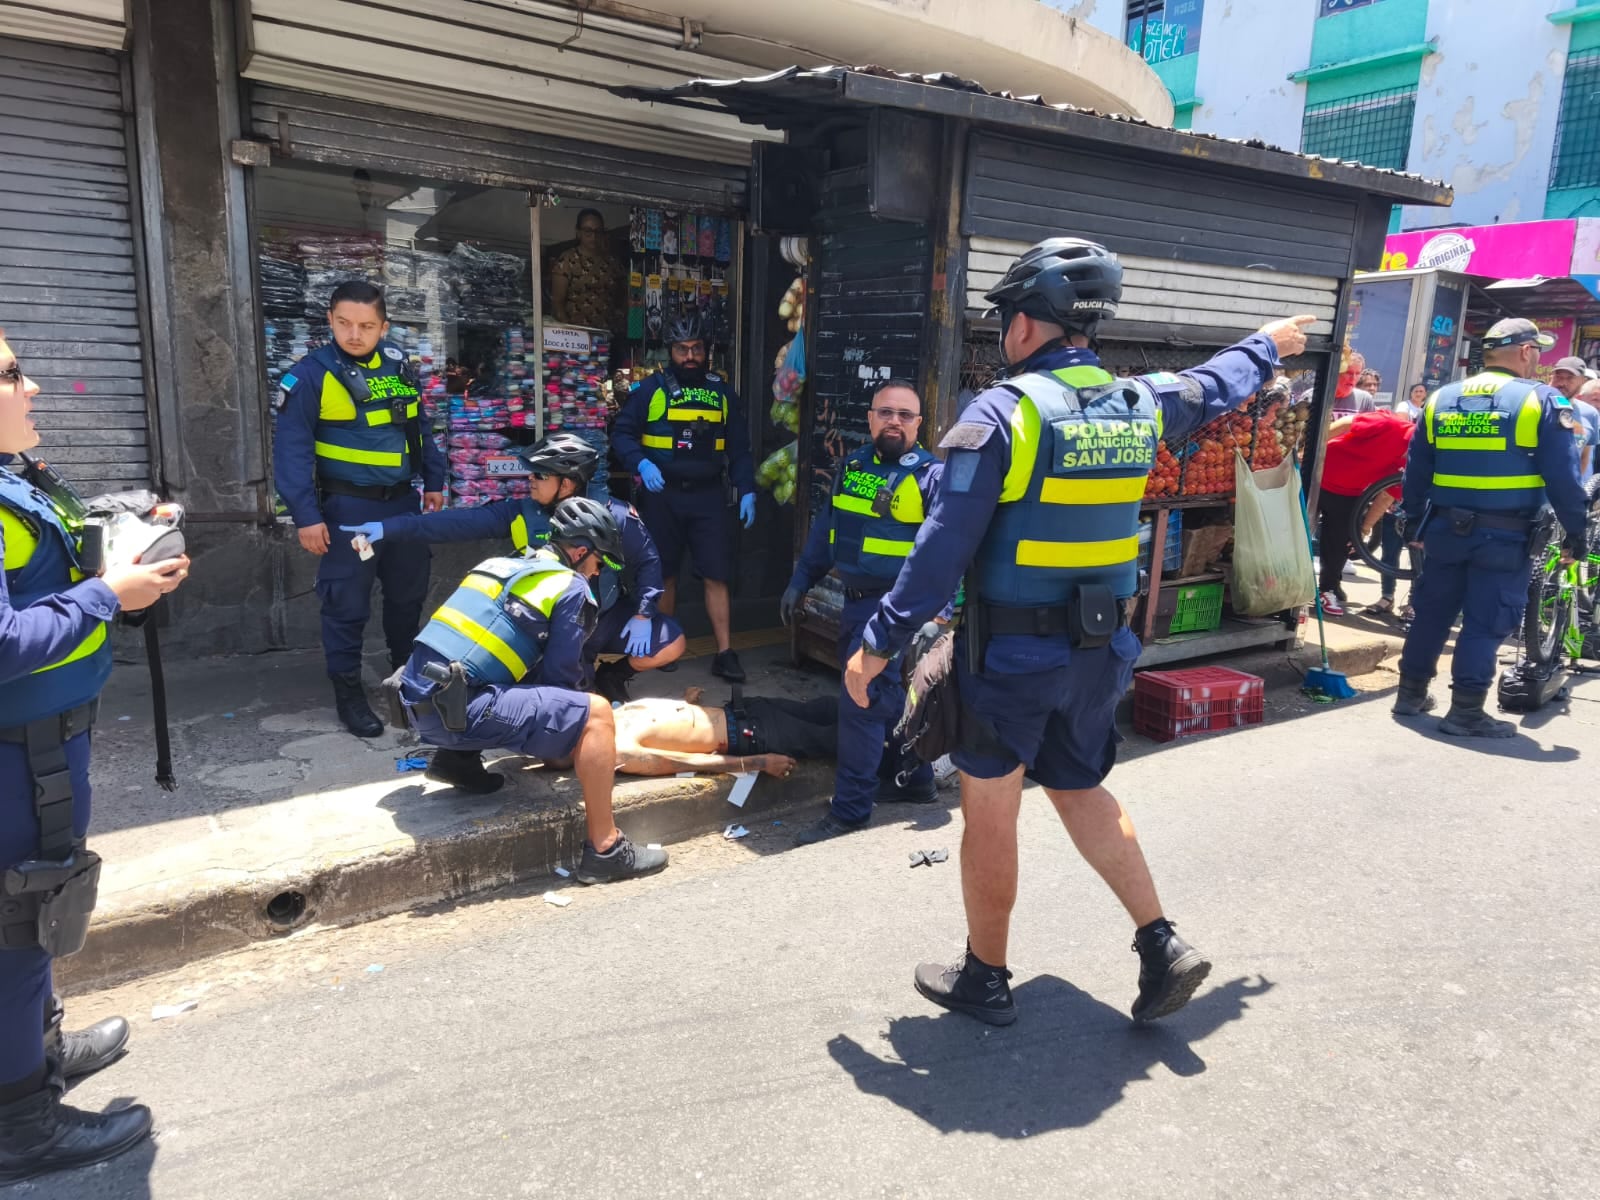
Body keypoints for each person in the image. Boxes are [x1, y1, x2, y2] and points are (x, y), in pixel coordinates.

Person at [843, 236, 1315, 1027]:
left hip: (1010, 658)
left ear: (1028, 325)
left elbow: (941, 551)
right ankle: (1160, 941)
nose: (1004, 331)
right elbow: (1212, 386)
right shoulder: (1138, 404)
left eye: (1007, 317)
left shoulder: (1002, 415)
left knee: (989, 808)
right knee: (1080, 786)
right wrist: (1266, 343)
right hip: (1099, 654)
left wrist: (878, 641)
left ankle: (985, 977)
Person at [0, 329, 191, 1182]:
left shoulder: (15, 477)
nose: (32, 385)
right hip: (15, 756)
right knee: (18, 928)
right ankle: (22, 1124)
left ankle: (35, 1055)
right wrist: (110, 594)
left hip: (45, 745)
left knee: (41, 909)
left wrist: (125, 535)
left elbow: (47, 567)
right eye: (10, 373)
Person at [396, 498, 667, 882]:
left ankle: (456, 761)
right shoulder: (570, 586)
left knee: (502, 667)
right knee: (597, 713)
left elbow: (476, 650)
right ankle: (606, 849)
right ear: (579, 551)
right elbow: (562, 680)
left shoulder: (500, 566)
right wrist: (582, 741)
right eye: (598, 563)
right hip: (457, 711)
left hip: (418, 701)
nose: (596, 573)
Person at [341, 431, 686, 722]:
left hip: (605, 617)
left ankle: (614, 676)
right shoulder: (523, 512)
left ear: (566, 483)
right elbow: (455, 524)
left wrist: (643, 613)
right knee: (573, 716)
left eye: (539, 476)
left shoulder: (615, 514)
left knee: (672, 642)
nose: (529, 481)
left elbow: (648, 561)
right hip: (553, 631)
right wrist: (388, 528)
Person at [1392, 318, 1588, 736]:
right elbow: (1564, 479)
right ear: (1523, 352)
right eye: (1538, 350)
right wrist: (1577, 533)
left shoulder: (1442, 397)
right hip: (1505, 536)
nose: (1539, 359)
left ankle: (1409, 694)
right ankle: (1465, 712)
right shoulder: (1540, 400)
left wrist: (1412, 520)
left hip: (1444, 530)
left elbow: (1416, 469)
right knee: (1486, 621)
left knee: (1432, 613)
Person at [274, 281, 447, 738]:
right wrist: (306, 516)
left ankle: (404, 679)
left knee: (407, 596)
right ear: (330, 320)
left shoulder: (397, 364)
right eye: (345, 323)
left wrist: (434, 480)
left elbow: (420, 428)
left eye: (367, 325)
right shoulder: (310, 375)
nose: (355, 334)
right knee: (345, 604)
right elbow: (292, 453)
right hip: (347, 507)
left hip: (403, 505)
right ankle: (348, 693)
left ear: (383, 326)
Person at [780, 379, 945, 845]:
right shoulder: (851, 467)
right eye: (886, 412)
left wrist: (940, 611)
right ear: (871, 418)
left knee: (859, 701)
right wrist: (800, 580)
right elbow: (827, 530)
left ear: (918, 424)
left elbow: (949, 551)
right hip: (856, 605)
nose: (895, 421)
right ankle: (915, 779)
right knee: (882, 698)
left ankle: (851, 810)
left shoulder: (930, 477)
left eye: (906, 415)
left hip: (893, 610)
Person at [611, 313, 756, 682]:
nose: (689, 356)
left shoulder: (722, 392)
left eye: (696, 349)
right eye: (682, 349)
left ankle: (725, 653)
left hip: (709, 498)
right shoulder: (652, 390)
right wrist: (641, 463)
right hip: (663, 497)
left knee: (716, 575)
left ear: (706, 351)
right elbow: (622, 434)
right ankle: (667, 645)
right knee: (665, 574)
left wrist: (747, 489)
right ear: (669, 352)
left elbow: (739, 447)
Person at [1315, 409, 1416, 616]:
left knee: (1342, 542)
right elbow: (1344, 424)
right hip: (1316, 477)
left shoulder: (1414, 465)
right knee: (1292, 531)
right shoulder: (1389, 424)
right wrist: (1310, 452)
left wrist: (1362, 530)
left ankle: (1327, 589)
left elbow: (1387, 495)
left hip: (1350, 493)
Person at [610, 685, 837, 778]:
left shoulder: (612, 713)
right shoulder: (621, 750)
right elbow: (688, 762)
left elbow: (665, 726)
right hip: (751, 734)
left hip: (746, 709)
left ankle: (871, 712)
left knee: (824, 708)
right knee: (833, 739)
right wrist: (759, 763)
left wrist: (685, 704)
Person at [550, 209, 623, 330]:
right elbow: (557, 302)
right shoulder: (567, 260)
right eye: (588, 231)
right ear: (578, 232)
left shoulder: (612, 263)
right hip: (575, 336)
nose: (593, 236)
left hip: (606, 336)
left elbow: (623, 296)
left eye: (598, 231)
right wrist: (568, 328)